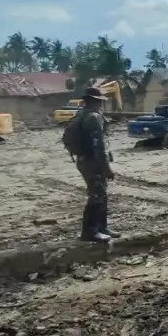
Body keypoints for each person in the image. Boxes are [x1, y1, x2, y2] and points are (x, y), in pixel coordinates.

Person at [74, 87, 118, 242]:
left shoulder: (82, 114)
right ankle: (90, 231)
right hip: (92, 161)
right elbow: (98, 146)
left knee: (101, 194)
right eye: (100, 101)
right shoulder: (93, 117)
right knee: (96, 196)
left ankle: (101, 227)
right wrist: (106, 168)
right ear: (96, 101)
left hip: (86, 159)